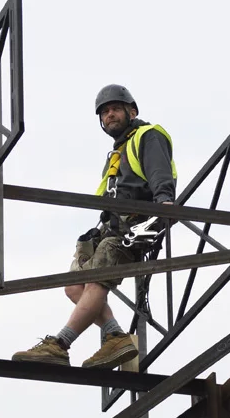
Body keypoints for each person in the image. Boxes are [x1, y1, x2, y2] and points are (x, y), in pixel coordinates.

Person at [13, 84, 175, 368]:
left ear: (131, 112)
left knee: (97, 279)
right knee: (73, 286)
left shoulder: (148, 136)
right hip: (112, 226)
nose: (110, 115)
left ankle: (60, 344)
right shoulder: (116, 154)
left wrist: (164, 204)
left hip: (135, 226)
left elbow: (159, 174)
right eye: (105, 112)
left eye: (115, 109)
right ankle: (115, 336)